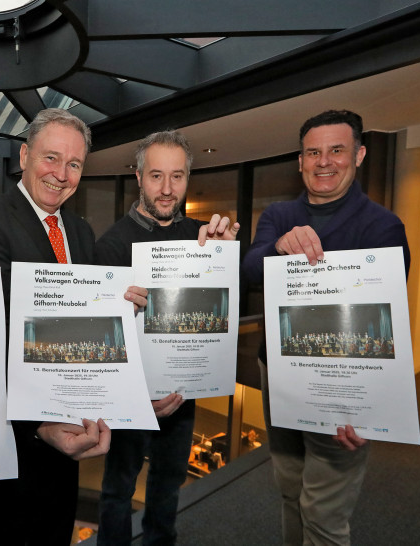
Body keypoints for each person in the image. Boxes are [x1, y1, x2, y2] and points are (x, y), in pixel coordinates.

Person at [0, 108, 147, 546]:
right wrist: (37, 426)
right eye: (51, 158)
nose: (62, 175)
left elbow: (85, 314)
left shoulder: (80, 232)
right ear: (24, 156)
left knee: (59, 529)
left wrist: (121, 308)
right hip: (20, 435)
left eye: (75, 164)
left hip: (72, 423)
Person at [241, 109, 410, 545]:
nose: (323, 162)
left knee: (324, 511)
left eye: (336, 150)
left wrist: (363, 404)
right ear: (300, 161)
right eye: (313, 152)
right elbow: (249, 270)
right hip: (278, 374)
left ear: (359, 155)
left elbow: (382, 320)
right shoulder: (279, 216)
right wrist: (279, 247)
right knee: (290, 488)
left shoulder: (383, 227)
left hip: (342, 388)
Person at [95, 130, 239, 545]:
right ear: (139, 176)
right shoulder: (111, 246)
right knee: (119, 488)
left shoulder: (203, 239)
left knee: (168, 483)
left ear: (187, 179)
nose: (166, 188)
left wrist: (225, 256)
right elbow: (105, 338)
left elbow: (227, 298)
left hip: (182, 392)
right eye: (156, 176)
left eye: (177, 177)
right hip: (130, 398)